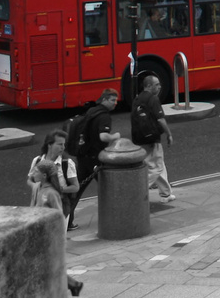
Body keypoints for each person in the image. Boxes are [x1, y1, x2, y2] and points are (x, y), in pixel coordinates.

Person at [65, 88, 120, 231]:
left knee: (76, 190)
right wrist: (115, 137)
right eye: (113, 100)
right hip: (96, 159)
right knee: (111, 187)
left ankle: (66, 221)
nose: (115, 103)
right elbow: (103, 136)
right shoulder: (104, 116)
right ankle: (118, 217)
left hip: (83, 156)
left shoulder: (91, 111)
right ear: (105, 99)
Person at [131, 74, 175, 202]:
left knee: (158, 165)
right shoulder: (153, 99)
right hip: (152, 139)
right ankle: (136, 193)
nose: (160, 87)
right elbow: (160, 120)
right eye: (157, 85)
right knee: (155, 168)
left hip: (139, 138)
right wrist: (169, 134)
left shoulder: (137, 99)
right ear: (148, 86)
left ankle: (166, 194)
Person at [28, 130, 78, 221]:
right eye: (59, 144)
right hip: (40, 203)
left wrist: (58, 189)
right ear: (49, 145)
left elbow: (75, 187)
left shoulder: (67, 163)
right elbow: (30, 179)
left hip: (60, 202)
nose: (63, 147)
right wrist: (35, 186)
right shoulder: (37, 161)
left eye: (64, 144)